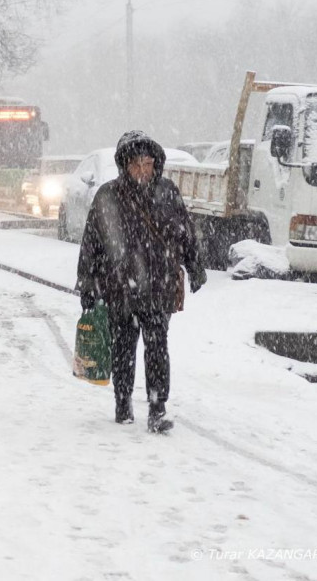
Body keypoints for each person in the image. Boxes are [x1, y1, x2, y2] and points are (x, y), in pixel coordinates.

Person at [77, 130, 206, 433]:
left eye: (148, 164)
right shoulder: (108, 196)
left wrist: (195, 264)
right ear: (124, 165)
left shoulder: (168, 192)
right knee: (123, 347)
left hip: (159, 286)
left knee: (157, 347)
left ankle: (157, 408)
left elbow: (185, 231)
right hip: (120, 288)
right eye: (136, 165)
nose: (142, 171)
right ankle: (123, 403)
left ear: (155, 164)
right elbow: (91, 244)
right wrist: (87, 283)